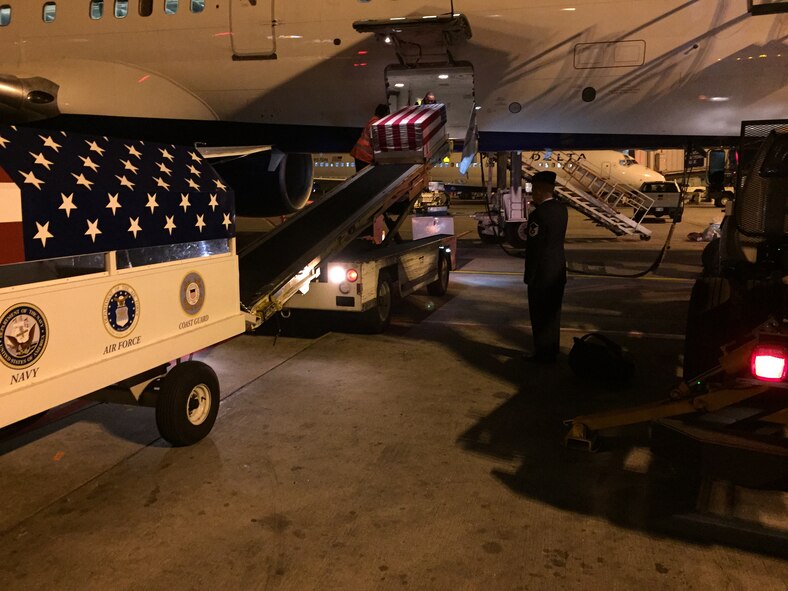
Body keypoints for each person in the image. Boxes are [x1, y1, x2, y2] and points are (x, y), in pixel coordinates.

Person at [523, 170, 568, 363]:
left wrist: (529, 276)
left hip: (541, 274)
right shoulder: (561, 209)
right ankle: (552, 350)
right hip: (558, 270)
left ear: (540, 190)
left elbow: (535, 248)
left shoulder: (538, 214)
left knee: (539, 315)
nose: (532, 193)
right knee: (553, 314)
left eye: (534, 189)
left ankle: (542, 354)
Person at [351, 103, 389, 172]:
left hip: (360, 153)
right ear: (384, 113)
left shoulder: (373, 120)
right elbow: (375, 141)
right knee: (363, 177)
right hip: (364, 155)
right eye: (387, 113)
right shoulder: (376, 124)